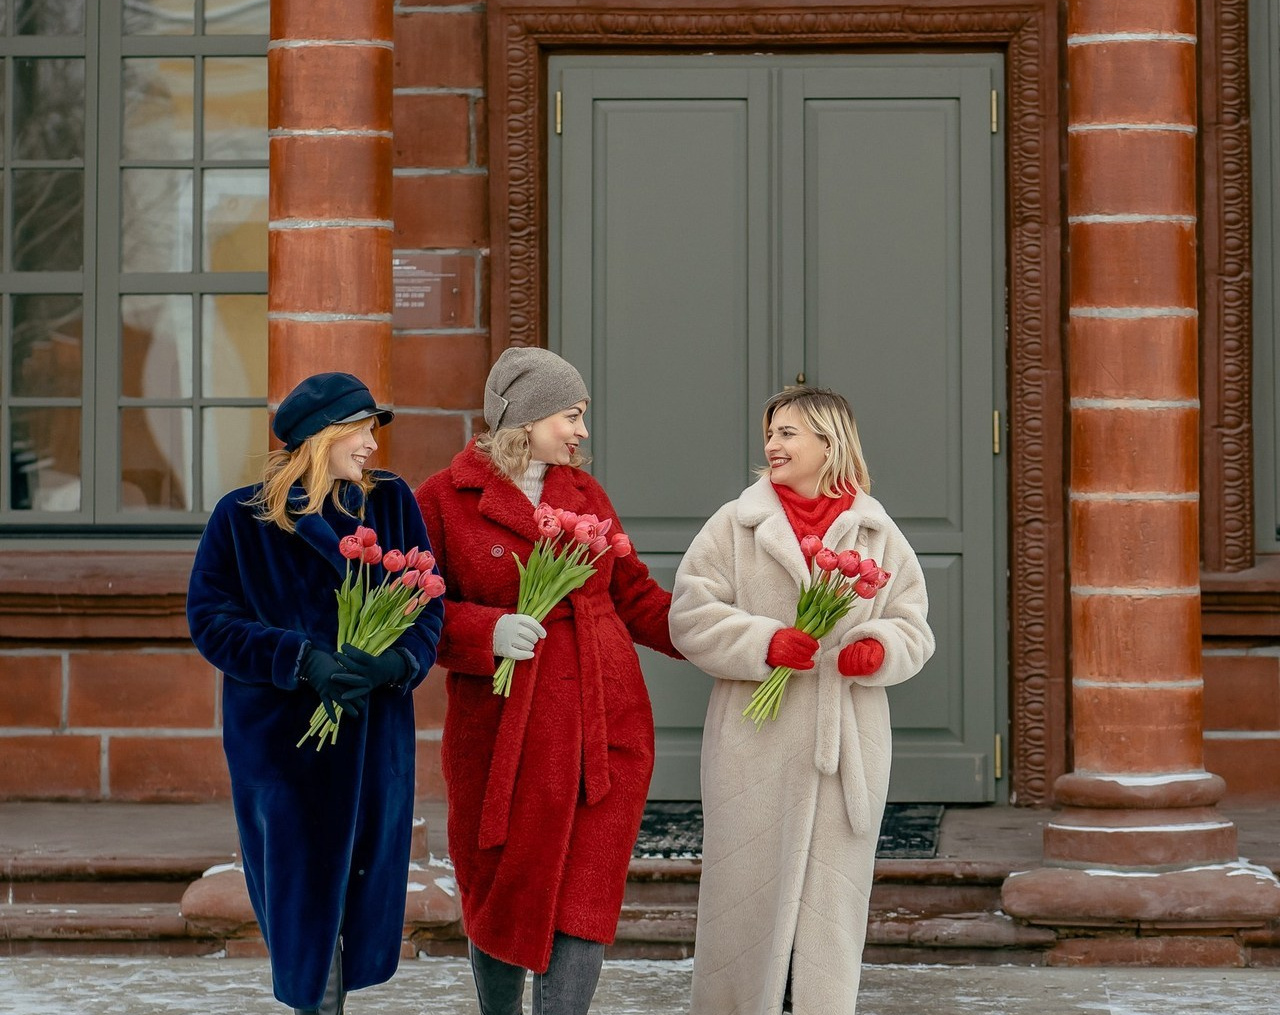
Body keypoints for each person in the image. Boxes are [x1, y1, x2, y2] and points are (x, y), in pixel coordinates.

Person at [414, 346, 682, 1015]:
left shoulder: (586, 495)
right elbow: (412, 608)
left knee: (584, 890)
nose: (581, 432)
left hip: (603, 728)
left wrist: (734, 641)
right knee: (503, 885)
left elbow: (636, 596)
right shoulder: (444, 499)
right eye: (571, 415)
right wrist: (485, 632)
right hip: (503, 735)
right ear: (525, 419)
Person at [669, 386, 934, 1015]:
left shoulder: (876, 531)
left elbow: (913, 623)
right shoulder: (735, 524)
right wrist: (764, 642)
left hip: (844, 749)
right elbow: (691, 614)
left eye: (789, 432)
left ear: (829, 441)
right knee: (745, 899)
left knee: (828, 913)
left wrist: (877, 648)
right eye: (771, 433)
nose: (773, 445)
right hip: (754, 745)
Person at [187, 372, 444, 1015]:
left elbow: (428, 601)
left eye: (372, 431)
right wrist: (302, 661)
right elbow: (211, 621)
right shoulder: (241, 518)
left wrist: (395, 664)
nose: (371, 446)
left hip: (371, 736)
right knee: (300, 902)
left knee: (359, 898)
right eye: (359, 430)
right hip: (281, 743)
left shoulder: (390, 502)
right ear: (319, 437)